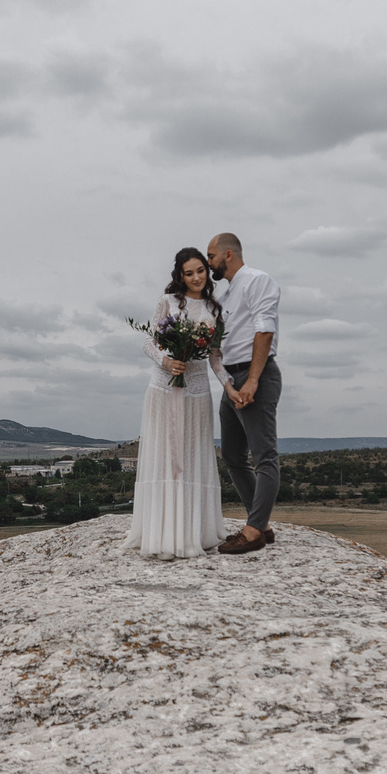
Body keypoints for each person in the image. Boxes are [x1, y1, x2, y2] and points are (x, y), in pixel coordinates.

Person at [123, 246, 228, 559]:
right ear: (179, 276)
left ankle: (194, 532)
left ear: (207, 273)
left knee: (193, 458)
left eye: (200, 271)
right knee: (166, 457)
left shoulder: (214, 308)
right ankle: (163, 534)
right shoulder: (167, 302)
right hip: (164, 389)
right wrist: (167, 361)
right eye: (189, 273)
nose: (196, 277)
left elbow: (215, 358)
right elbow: (148, 342)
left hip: (197, 394)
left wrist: (231, 388)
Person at [207, 232, 280, 554]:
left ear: (228, 255)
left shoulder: (257, 280)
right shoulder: (224, 298)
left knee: (264, 455)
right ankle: (260, 523)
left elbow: (265, 329)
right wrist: (228, 384)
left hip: (256, 374)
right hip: (231, 379)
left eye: (211, 256)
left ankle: (253, 533)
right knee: (234, 456)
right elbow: (216, 350)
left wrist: (252, 381)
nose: (209, 262)